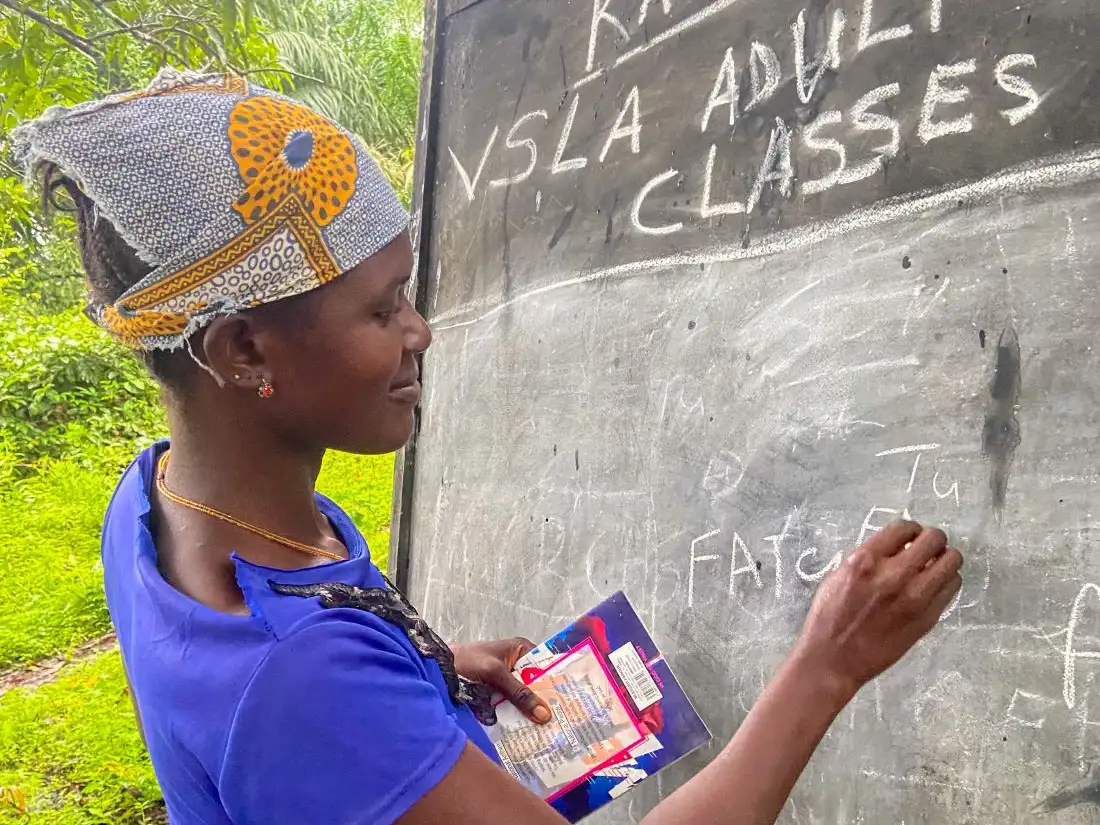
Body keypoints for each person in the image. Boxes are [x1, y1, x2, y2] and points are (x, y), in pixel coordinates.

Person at [13, 69, 963, 825]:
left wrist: (421, 675)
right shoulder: (301, 681)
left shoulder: (159, 498)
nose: (419, 331)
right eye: (381, 308)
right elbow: (296, 698)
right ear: (242, 348)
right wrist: (827, 663)